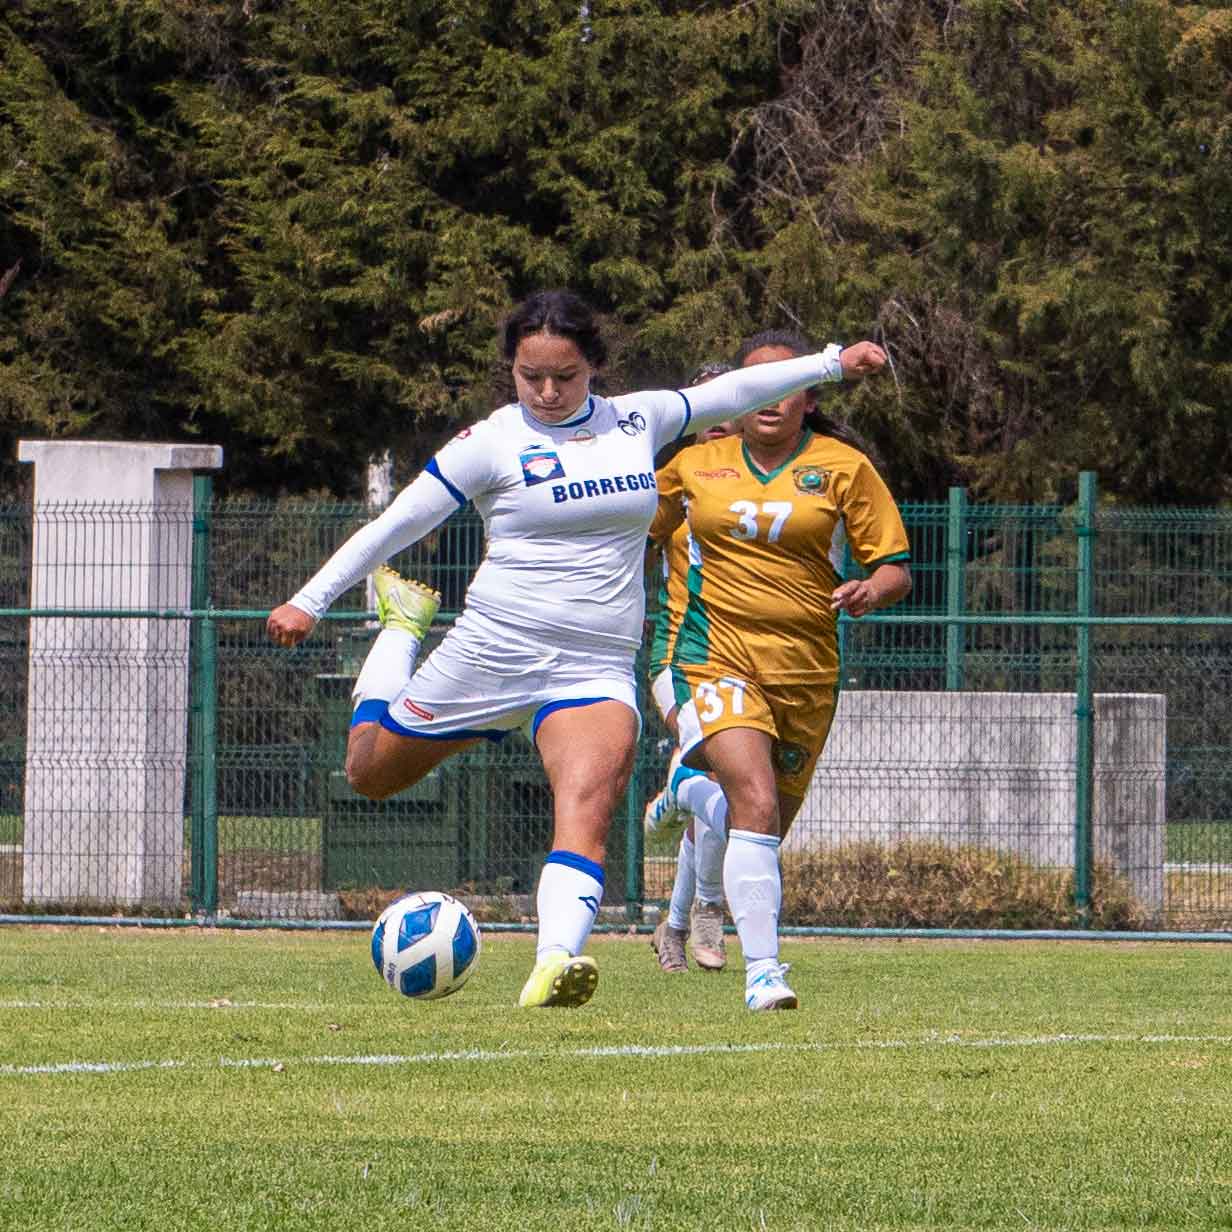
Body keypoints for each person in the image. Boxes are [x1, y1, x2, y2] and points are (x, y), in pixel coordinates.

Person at [266, 291, 887, 1009]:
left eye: (565, 375)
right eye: (531, 376)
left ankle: (556, 961)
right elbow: (396, 523)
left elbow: (730, 393)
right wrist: (309, 600)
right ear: (512, 371)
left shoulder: (637, 419)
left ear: (594, 365)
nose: (549, 392)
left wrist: (831, 365)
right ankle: (402, 629)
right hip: (492, 652)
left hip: (591, 667)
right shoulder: (490, 442)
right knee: (370, 772)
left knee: (587, 808)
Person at [651, 328, 911, 1011]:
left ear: (809, 394)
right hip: (713, 656)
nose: (771, 399)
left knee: (758, 824)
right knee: (754, 800)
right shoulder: (690, 468)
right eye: (756, 386)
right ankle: (764, 971)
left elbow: (894, 568)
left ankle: (684, 798)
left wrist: (870, 590)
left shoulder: (843, 467)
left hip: (806, 670)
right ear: (734, 399)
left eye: (786, 384)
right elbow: (628, 533)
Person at [643, 362, 735, 976]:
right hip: (683, 658)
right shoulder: (674, 484)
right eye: (710, 425)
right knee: (728, 795)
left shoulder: (767, 486)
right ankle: (706, 909)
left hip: (747, 662)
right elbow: (629, 541)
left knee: (721, 803)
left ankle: (672, 929)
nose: (720, 437)